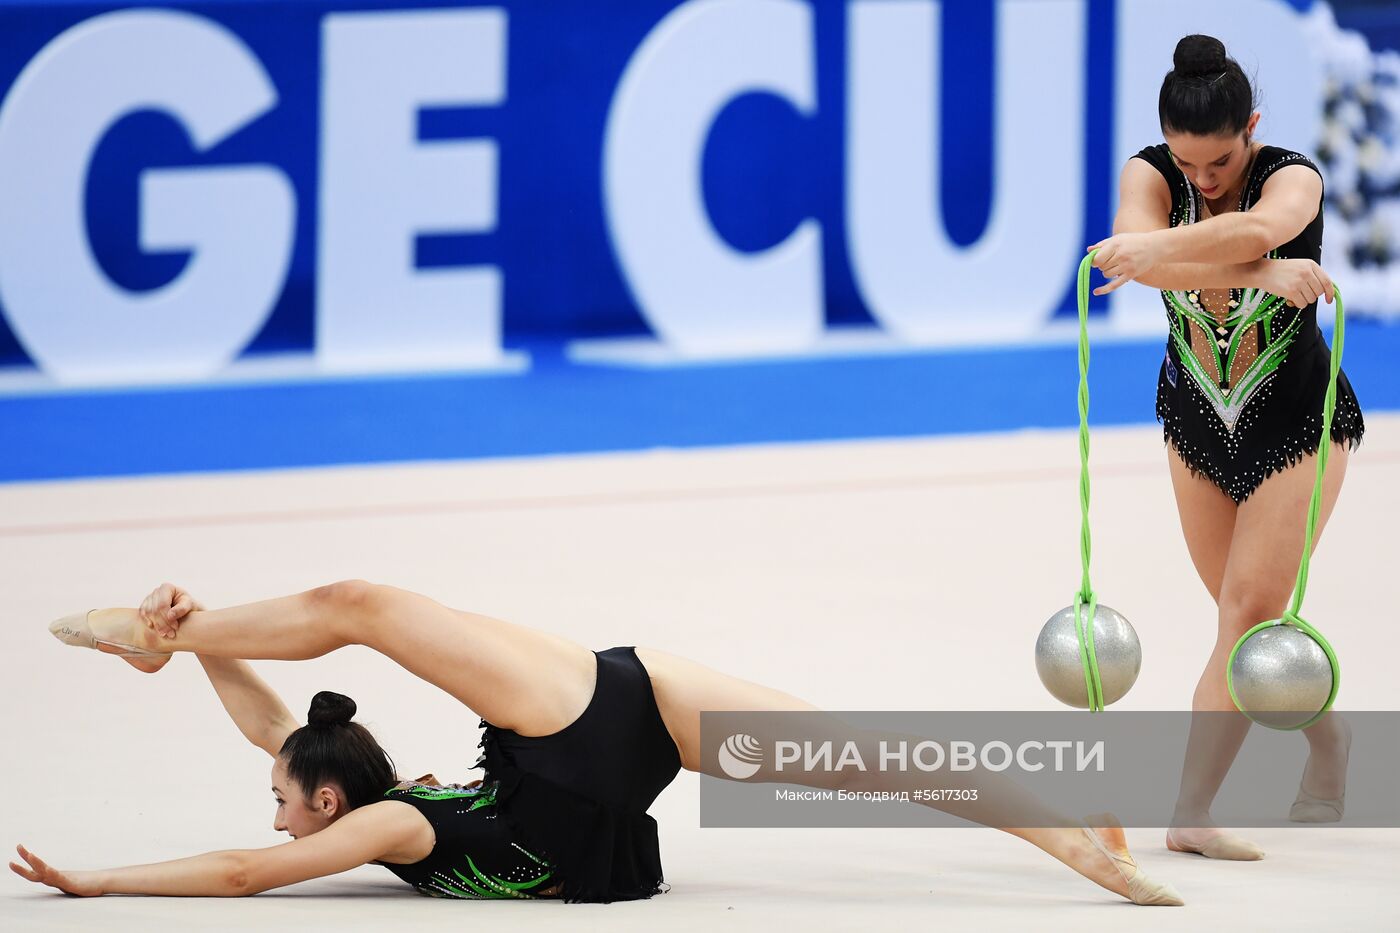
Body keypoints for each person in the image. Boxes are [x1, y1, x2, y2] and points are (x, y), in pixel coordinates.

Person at [18, 580, 1181, 905]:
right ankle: (1074, 839)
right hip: (602, 740)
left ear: (325, 802)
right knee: (870, 757)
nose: (270, 811)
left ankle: (1076, 842)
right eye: (277, 798)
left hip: (584, 746)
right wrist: (98, 875)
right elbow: (270, 769)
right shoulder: (376, 808)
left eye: (280, 798)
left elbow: (250, 841)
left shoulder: (383, 817)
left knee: (363, 608)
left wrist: (99, 878)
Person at [1088, 34, 1364, 860]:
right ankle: (1329, 739)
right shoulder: (1149, 171)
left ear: (1250, 127)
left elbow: (1256, 228)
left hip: (1297, 420)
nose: (1200, 178)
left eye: (1216, 161)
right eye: (1186, 162)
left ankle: (1190, 813)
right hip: (1196, 419)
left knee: (1245, 616)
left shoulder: (1292, 174)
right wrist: (1258, 276)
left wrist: (1164, 252)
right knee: (1252, 626)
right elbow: (1144, 262)